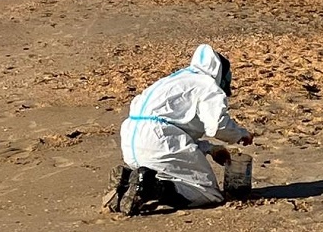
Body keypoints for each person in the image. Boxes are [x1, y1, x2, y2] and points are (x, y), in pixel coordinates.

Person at [103, 44, 254, 216]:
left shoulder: (174, 80)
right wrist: (241, 134)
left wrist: (210, 149)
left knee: (165, 175)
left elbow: (176, 127)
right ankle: (152, 189)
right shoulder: (208, 85)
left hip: (133, 139)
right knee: (208, 192)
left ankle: (128, 182)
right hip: (159, 140)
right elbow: (217, 126)